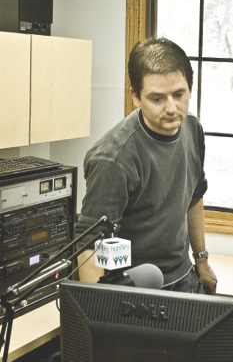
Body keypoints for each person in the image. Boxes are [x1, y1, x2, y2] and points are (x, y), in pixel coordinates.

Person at [74, 37, 217, 294]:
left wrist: (202, 260)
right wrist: (101, 313)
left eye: (178, 94)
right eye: (157, 98)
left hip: (184, 275)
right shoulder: (113, 159)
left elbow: (194, 197)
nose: (172, 108)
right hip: (136, 286)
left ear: (190, 88)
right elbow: (91, 245)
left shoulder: (192, 128)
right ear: (136, 97)